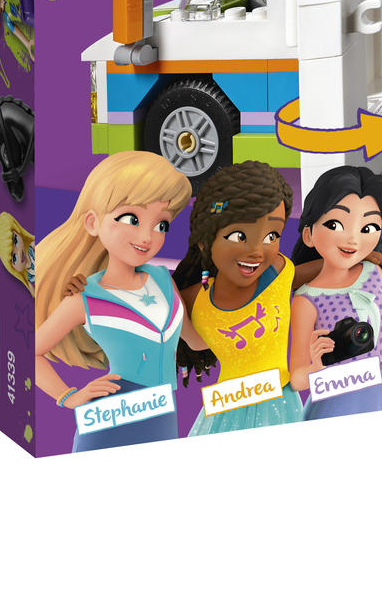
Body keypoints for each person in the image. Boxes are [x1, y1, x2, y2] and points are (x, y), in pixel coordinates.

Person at [34, 153, 197, 451]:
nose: (147, 237)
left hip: (164, 418)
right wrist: (67, 396)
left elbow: (196, 340)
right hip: (109, 422)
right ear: (93, 223)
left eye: (161, 225)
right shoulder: (85, 298)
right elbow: (30, 353)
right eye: (131, 219)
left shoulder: (163, 279)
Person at [174, 161, 305, 436]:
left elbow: (323, 270)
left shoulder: (279, 272)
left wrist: (365, 260)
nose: (256, 251)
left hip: (281, 406)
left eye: (272, 235)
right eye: (238, 235)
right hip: (225, 413)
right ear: (205, 241)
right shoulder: (193, 299)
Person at [287, 164, 382, 420]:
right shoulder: (306, 299)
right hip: (330, 405)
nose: (353, 240)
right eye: (335, 224)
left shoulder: (374, 273)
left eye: (368, 228)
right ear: (308, 235)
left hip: (377, 397)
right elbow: (297, 379)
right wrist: (316, 366)